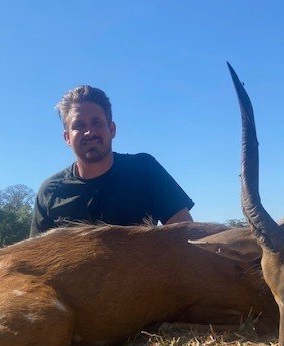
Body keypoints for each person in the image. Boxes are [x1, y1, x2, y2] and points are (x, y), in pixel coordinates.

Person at [30, 85, 194, 236]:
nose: (89, 132)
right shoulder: (49, 192)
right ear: (67, 137)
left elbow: (187, 237)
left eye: (97, 122)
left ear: (112, 129)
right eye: (79, 125)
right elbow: (36, 259)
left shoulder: (144, 170)